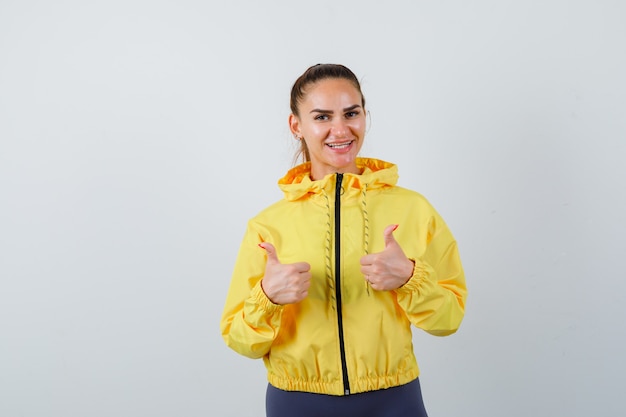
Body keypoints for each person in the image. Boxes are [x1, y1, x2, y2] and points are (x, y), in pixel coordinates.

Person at [220, 63, 467, 417]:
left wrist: (411, 277)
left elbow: (449, 319)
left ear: (365, 115)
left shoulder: (413, 209)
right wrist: (268, 298)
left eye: (351, 113)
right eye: (322, 117)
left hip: (393, 400)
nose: (341, 129)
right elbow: (240, 340)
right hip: (298, 402)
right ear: (296, 125)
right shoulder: (267, 225)